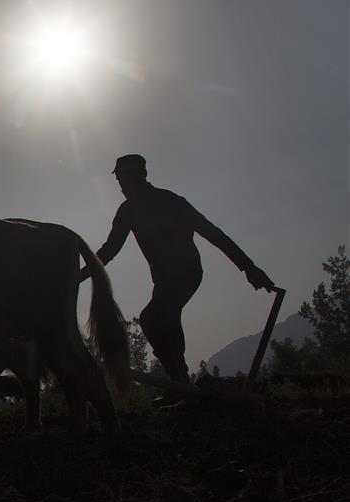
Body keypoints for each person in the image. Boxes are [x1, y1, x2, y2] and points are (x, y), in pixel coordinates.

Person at [82, 154, 275, 393]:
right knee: (161, 320)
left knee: (155, 318)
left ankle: (180, 382)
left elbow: (213, 234)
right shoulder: (128, 211)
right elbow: (110, 250)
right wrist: (79, 276)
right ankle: (180, 382)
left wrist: (248, 267)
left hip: (187, 273)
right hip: (163, 280)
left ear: (140, 176)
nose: (121, 185)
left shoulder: (171, 202)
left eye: (124, 179)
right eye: (119, 179)